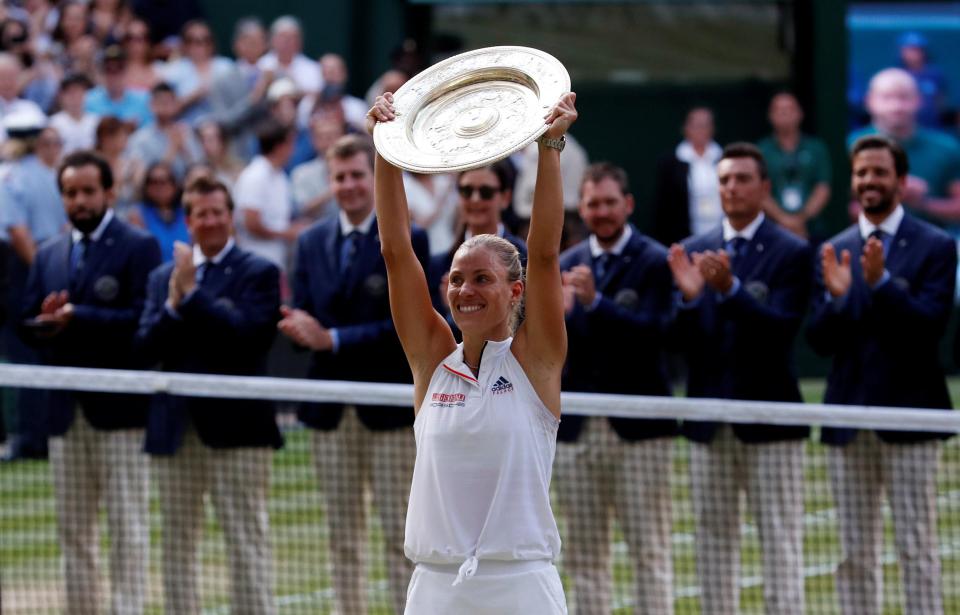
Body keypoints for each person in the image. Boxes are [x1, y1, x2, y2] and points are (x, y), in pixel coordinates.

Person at [367, 89, 576, 612]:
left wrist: (552, 147)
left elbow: (545, 254)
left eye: (483, 279)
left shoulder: (537, 362)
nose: (465, 291)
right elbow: (396, 253)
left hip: (522, 586)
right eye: (457, 280)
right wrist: (385, 148)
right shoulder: (433, 360)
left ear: (515, 290)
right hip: (436, 589)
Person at [278, 133, 428, 614]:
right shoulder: (311, 241)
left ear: (373, 177)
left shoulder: (408, 236)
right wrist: (300, 327)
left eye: (358, 176)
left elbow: (407, 323)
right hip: (329, 412)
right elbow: (305, 310)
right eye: (340, 178)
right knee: (342, 537)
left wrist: (334, 338)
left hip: (387, 412)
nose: (349, 186)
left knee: (399, 536)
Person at [808, 135, 955, 615]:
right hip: (848, 419)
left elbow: (930, 327)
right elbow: (818, 341)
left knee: (916, 547)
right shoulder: (833, 249)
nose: (870, 181)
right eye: (862, 173)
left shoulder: (936, 245)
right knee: (855, 553)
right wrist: (838, 299)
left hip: (910, 417)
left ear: (901, 180)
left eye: (879, 172)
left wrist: (881, 285)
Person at [667, 142, 812, 615]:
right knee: (713, 542)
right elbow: (676, 342)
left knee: (781, 541)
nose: (731, 187)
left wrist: (728, 290)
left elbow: (781, 331)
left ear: (764, 187)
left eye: (742, 179)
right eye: (724, 179)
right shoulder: (692, 250)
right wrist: (690, 301)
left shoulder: (793, 251)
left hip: (771, 419)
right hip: (710, 420)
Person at [20, 150, 161, 614]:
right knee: (73, 528)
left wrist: (80, 316)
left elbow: (144, 323)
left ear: (108, 193)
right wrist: (44, 323)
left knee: (127, 526)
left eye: (87, 191)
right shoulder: (48, 254)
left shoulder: (137, 246)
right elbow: (27, 325)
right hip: (65, 415)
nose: (78, 201)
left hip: (120, 414)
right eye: (70, 193)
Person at [136, 175, 283, 615]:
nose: (212, 220)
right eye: (202, 213)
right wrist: (173, 304)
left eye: (219, 211)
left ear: (231, 215)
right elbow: (144, 346)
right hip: (177, 430)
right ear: (189, 221)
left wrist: (192, 295)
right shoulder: (164, 278)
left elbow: (245, 338)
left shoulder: (260, 272)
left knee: (246, 540)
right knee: (177, 544)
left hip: (238, 430)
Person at [556, 162, 676, 615]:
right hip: (578, 432)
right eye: (593, 204)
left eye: (609, 202)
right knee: (585, 557)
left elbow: (658, 335)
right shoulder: (566, 263)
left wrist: (596, 304)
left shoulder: (655, 259)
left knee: (650, 552)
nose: (601, 212)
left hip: (641, 432)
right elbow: (556, 350)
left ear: (627, 204)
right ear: (581, 208)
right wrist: (564, 316)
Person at [0, 117, 65, 462]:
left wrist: (41, 273)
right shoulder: (53, 175)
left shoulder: (11, 177)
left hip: (23, 272)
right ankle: (43, 435)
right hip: (53, 265)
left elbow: (18, 234)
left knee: (25, 357)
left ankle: (32, 439)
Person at [848, 68, 960, 227]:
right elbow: (835, 206)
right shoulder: (849, 146)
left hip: (932, 244)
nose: (896, 106)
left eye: (904, 97)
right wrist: (888, 196)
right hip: (868, 244)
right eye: (887, 97)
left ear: (919, 100)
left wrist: (922, 202)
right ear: (869, 101)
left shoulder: (947, 147)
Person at [428, 161, 527, 335]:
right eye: (466, 191)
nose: (475, 199)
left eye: (486, 192)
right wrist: (451, 312)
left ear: (505, 198)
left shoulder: (525, 259)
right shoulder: (438, 265)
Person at [757, 92, 832, 242]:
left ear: (800, 113)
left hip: (811, 230)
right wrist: (784, 220)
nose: (784, 113)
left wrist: (801, 219)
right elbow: (759, 192)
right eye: (779, 110)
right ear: (770, 116)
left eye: (790, 109)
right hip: (773, 231)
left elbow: (823, 187)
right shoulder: (761, 150)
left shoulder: (816, 148)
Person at [233, 118, 304, 271]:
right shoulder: (254, 176)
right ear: (279, 147)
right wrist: (289, 233)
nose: (293, 150)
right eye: (290, 144)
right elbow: (251, 224)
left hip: (277, 262)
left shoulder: (280, 176)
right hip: (255, 264)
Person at [652, 106, 723, 247]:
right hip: (685, 239)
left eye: (705, 125)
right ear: (686, 128)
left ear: (712, 128)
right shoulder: (670, 163)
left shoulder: (725, 159)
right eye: (696, 125)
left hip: (720, 238)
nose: (701, 130)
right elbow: (663, 209)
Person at [158, 19, 234, 125]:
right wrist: (193, 97)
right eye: (193, 40)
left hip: (225, 132)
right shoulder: (172, 72)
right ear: (184, 44)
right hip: (188, 134)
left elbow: (240, 103)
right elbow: (164, 111)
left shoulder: (226, 66)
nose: (201, 45)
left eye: (206, 40)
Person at [127, 161, 189, 262]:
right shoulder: (137, 214)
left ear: (174, 185)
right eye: (153, 182)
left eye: (164, 181)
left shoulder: (186, 212)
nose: (159, 187)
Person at [84, 45, 153, 128]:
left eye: (119, 69)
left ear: (127, 72)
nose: (114, 76)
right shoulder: (88, 100)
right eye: (109, 69)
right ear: (102, 73)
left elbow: (150, 130)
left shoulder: (144, 99)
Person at [257, 16, 320, 95]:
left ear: (299, 41)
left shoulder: (312, 68)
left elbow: (315, 96)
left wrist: (293, 84)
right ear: (272, 40)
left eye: (291, 38)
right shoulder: (261, 65)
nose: (286, 42)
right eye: (282, 37)